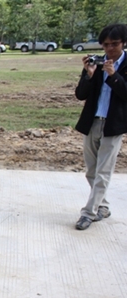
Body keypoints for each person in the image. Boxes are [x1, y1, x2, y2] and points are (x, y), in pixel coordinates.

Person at [73, 23, 127, 230]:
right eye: (105, 45)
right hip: (92, 121)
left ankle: (89, 213)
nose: (109, 49)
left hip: (113, 125)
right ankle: (102, 206)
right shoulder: (97, 63)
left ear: (124, 43)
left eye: (114, 44)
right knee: (91, 171)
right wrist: (89, 74)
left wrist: (114, 76)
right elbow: (80, 94)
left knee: (103, 171)